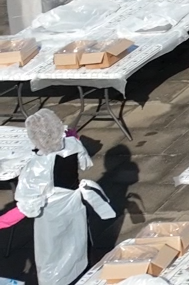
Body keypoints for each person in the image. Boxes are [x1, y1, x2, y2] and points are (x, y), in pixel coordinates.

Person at [8, 108, 116, 285]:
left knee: (52, 251)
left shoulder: (38, 165)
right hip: (73, 201)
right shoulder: (73, 144)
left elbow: (29, 204)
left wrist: (4, 221)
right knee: (78, 239)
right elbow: (85, 163)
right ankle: (84, 273)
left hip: (50, 212)